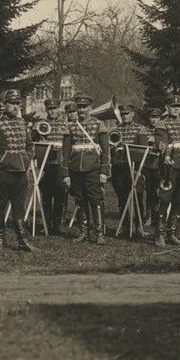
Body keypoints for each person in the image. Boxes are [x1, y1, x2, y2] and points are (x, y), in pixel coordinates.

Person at [0, 89, 36, 251]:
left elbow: (29, 144)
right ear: (4, 105)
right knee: (0, 206)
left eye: (18, 103)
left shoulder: (21, 123)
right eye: (12, 103)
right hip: (3, 173)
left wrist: (27, 158)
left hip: (20, 172)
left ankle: (22, 241)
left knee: (19, 207)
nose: (16, 106)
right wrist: (1, 160)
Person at [62, 92, 111, 245]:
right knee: (80, 200)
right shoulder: (70, 126)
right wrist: (66, 173)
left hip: (93, 168)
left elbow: (106, 150)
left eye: (85, 107)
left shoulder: (98, 124)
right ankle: (84, 232)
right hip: (75, 168)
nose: (82, 110)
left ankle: (99, 233)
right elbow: (65, 152)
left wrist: (104, 171)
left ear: (90, 107)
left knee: (95, 200)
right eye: (79, 107)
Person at [153, 95, 180, 247]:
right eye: (173, 106)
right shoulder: (162, 124)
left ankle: (172, 233)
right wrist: (166, 156)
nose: (176, 108)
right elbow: (162, 143)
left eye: (178, 106)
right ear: (167, 108)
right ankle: (160, 234)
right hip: (170, 166)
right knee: (164, 199)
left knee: (178, 199)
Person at [110, 104, 150, 237]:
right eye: (122, 114)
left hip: (134, 167)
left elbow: (142, 149)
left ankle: (139, 226)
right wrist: (114, 149)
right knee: (121, 197)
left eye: (127, 113)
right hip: (118, 166)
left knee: (138, 196)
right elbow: (108, 149)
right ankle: (125, 225)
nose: (124, 116)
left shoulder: (140, 129)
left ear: (133, 114)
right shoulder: (115, 129)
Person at [32, 98, 69, 236]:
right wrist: (36, 131)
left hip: (60, 163)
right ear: (46, 110)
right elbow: (32, 140)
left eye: (54, 108)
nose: (52, 111)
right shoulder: (40, 124)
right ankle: (46, 224)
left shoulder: (65, 124)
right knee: (46, 193)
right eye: (50, 109)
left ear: (58, 108)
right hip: (45, 164)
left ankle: (58, 224)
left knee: (60, 192)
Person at [141, 108, 164, 234]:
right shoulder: (145, 129)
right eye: (152, 117)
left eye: (156, 117)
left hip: (160, 163)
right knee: (149, 190)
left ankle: (158, 215)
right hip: (148, 163)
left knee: (159, 190)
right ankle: (149, 216)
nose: (154, 120)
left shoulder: (163, 129)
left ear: (160, 118)